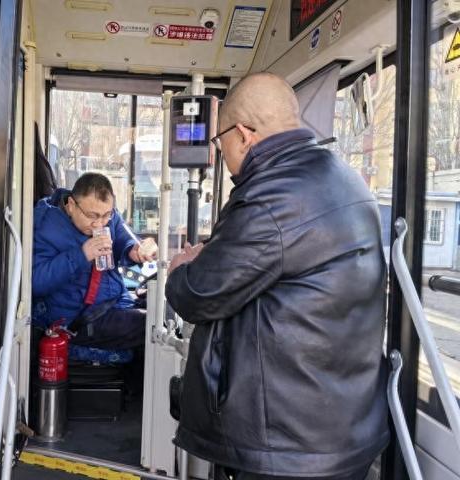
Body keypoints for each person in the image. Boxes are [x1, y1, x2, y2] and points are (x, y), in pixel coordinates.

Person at [165, 72, 389, 480]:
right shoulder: (343, 178)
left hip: (286, 447)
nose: (223, 155)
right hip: (342, 429)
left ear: (243, 135)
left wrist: (182, 267)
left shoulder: (271, 198)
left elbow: (198, 294)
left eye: (220, 143)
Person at [32, 172, 156, 351]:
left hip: (115, 302)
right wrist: (81, 255)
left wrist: (135, 250)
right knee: (152, 328)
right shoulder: (45, 226)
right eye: (92, 216)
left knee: (163, 311)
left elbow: (125, 238)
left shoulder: (110, 219)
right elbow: (36, 282)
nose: (99, 224)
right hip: (77, 319)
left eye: (106, 215)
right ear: (71, 205)